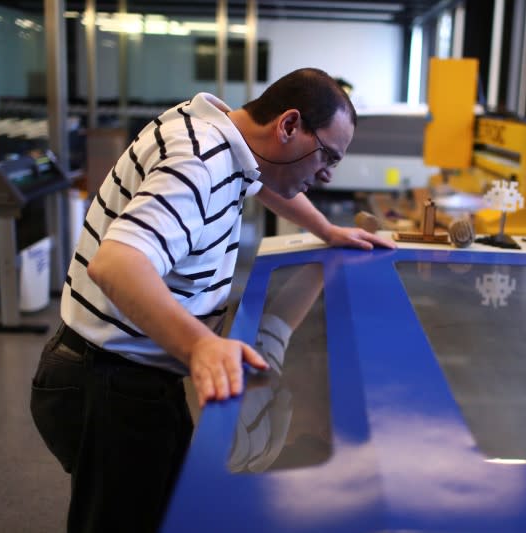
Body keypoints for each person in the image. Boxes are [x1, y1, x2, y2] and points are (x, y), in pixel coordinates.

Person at [30, 67, 395, 533]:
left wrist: (325, 229)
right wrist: (200, 346)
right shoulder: (198, 159)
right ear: (287, 125)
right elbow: (117, 264)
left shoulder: (226, 136)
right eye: (327, 156)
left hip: (127, 373)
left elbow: (261, 182)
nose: (325, 174)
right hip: (107, 381)